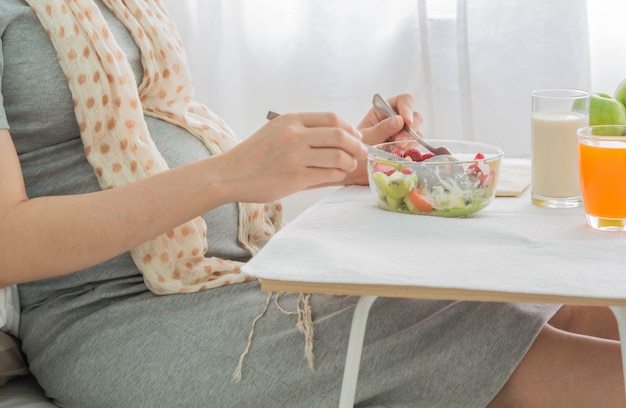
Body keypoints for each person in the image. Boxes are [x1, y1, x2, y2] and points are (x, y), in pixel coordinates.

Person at [0, 1, 624, 407]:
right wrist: (229, 175)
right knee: (490, 323)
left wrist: (326, 161)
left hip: (233, 272)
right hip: (116, 318)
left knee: (564, 302)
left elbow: (168, 147)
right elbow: (7, 243)